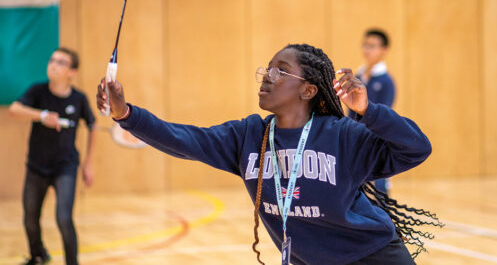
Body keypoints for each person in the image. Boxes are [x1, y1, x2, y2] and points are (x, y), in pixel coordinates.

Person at [97, 43, 439, 264]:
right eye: (266, 69)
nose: (266, 77)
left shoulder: (343, 136)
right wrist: (126, 114)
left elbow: (416, 149)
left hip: (371, 257)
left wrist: (369, 110)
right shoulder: (248, 136)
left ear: (308, 89)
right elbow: (185, 139)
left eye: (280, 71)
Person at [9, 47, 96, 265]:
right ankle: (38, 256)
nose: (53, 65)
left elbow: (93, 126)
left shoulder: (79, 99)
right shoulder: (37, 92)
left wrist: (89, 164)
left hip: (65, 167)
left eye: (60, 62)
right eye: (52, 61)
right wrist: (42, 115)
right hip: (36, 166)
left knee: (64, 219)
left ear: (72, 72)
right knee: (30, 218)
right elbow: (14, 110)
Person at [349, 28, 396, 196]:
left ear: (384, 50)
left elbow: (384, 112)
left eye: (373, 46)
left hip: (376, 137)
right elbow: (351, 110)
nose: (367, 49)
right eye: (365, 45)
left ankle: (384, 216)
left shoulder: (386, 81)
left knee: (379, 180)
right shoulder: (359, 76)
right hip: (357, 136)